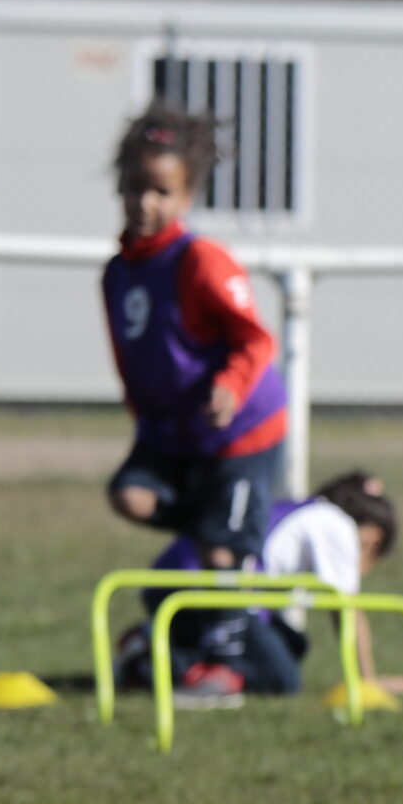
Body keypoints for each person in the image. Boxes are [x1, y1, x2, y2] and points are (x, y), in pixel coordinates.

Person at [102, 105, 289, 703]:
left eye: (161, 191)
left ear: (187, 196)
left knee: (218, 548)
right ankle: (228, 542)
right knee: (130, 496)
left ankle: (229, 667)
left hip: (241, 431)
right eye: (135, 188)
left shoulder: (201, 261)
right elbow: (133, 356)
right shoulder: (118, 272)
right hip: (173, 434)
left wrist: (231, 384)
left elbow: (255, 338)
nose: (145, 202)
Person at [119, 471, 402, 702]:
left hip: (178, 580)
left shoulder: (304, 509)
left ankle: (168, 644)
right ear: (374, 537)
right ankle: (150, 660)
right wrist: (369, 682)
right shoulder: (336, 525)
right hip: (203, 588)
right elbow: (347, 608)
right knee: (282, 679)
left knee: (292, 643)